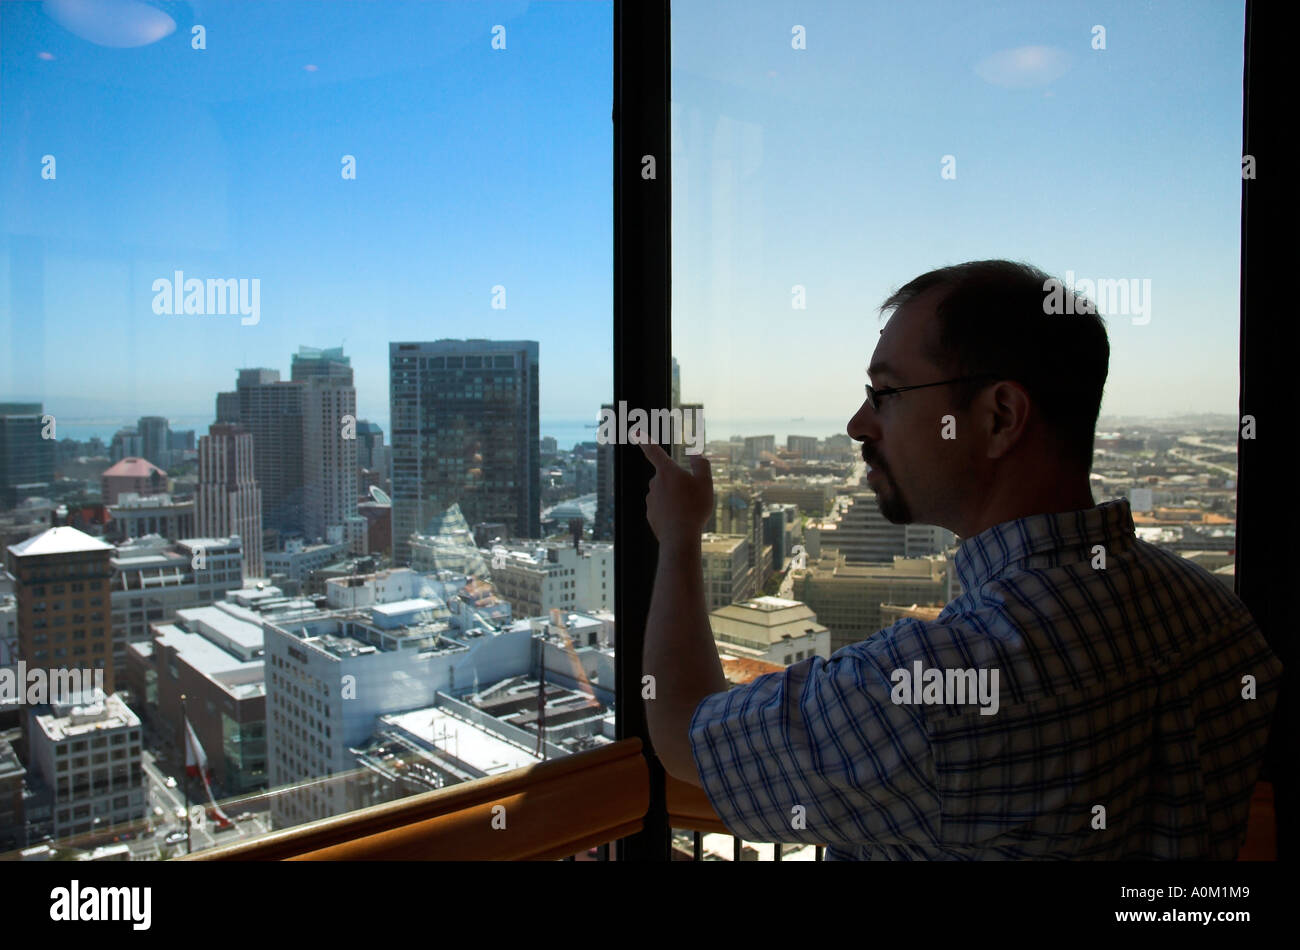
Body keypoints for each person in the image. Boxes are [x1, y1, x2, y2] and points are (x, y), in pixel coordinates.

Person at [640, 259, 1282, 860]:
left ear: (1000, 416)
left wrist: (679, 537)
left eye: (887, 393)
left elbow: (680, 733)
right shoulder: (1215, 617)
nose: (858, 423)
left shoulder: (927, 693)